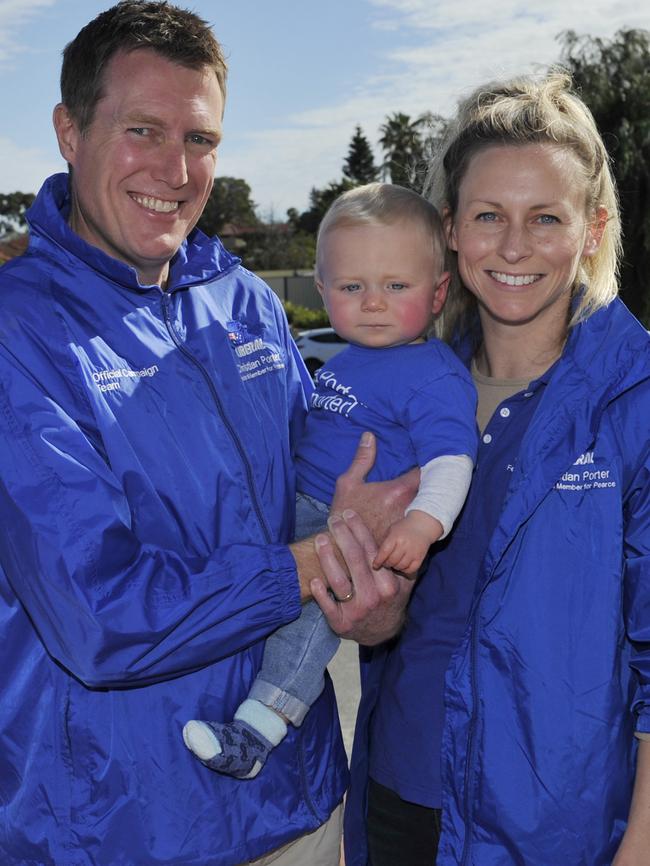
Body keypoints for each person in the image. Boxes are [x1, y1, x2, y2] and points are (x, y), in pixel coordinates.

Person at [0, 4, 417, 865]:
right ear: (69, 131)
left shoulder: (250, 303)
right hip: (119, 830)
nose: (176, 169)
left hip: (299, 807)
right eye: (142, 130)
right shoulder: (18, 330)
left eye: (201, 138)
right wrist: (309, 569)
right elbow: (98, 616)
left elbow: (328, 494)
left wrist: (375, 586)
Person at [344, 69, 650, 866]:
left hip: (556, 831)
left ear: (592, 229)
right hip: (400, 803)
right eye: (488, 216)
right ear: (450, 229)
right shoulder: (403, 393)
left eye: (545, 217)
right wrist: (361, 576)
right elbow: (383, 628)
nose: (513, 247)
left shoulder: (635, 400)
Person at [182, 183, 478, 780]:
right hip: (293, 505)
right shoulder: (343, 361)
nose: (373, 303)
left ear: (439, 291)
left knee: (307, 625)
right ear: (323, 291)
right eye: (352, 287)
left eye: (396, 286)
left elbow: (453, 460)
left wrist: (424, 523)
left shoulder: (433, 374)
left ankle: (257, 732)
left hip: (344, 524)